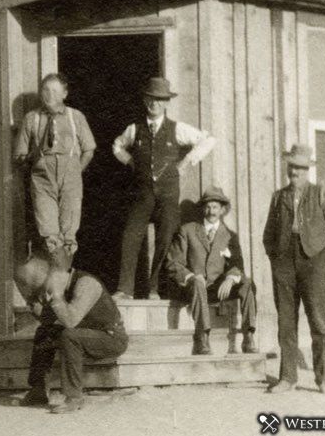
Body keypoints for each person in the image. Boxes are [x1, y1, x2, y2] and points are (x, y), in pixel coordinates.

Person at [112, 77, 216, 299]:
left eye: (159, 100)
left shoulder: (177, 129)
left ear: (166, 103)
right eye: (150, 99)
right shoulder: (134, 129)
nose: (154, 104)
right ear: (144, 100)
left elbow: (208, 140)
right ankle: (125, 289)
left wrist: (186, 162)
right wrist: (130, 161)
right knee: (131, 236)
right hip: (143, 194)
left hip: (169, 194)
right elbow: (117, 146)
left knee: (165, 237)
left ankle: (154, 289)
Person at [263, 144, 325, 394]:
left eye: (299, 167)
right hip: (284, 263)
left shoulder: (320, 193)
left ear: (307, 170)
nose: (294, 172)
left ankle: (323, 378)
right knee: (286, 321)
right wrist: (276, 259)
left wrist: (321, 255)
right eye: (291, 166)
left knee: (317, 321)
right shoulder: (279, 197)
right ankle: (287, 378)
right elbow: (268, 235)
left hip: (313, 262)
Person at [15, 257, 128, 414]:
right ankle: (38, 389)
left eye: (43, 288)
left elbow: (70, 321)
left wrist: (57, 296)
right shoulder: (58, 287)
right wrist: (33, 303)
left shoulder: (86, 283)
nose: (44, 294)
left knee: (69, 335)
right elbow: (48, 320)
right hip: (85, 335)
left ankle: (73, 397)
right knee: (44, 332)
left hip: (111, 338)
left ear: (53, 275)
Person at [14, 73, 96, 261]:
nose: (49, 95)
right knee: (50, 234)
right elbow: (19, 155)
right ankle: (52, 284)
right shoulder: (31, 119)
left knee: (68, 234)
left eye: (55, 91)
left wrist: (76, 170)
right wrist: (34, 160)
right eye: (45, 90)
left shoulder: (76, 117)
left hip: (71, 179)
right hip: (43, 181)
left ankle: (64, 281)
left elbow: (89, 150)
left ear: (64, 94)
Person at [168, 186, 258, 355]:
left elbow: (238, 264)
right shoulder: (187, 230)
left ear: (222, 210)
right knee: (197, 283)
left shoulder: (230, 235)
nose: (211, 211)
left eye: (215, 207)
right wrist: (191, 276)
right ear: (203, 208)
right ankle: (202, 338)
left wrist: (230, 278)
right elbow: (173, 263)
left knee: (247, 282)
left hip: (217, 289)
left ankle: (248, 336)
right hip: (193, 288)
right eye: (208, 207)